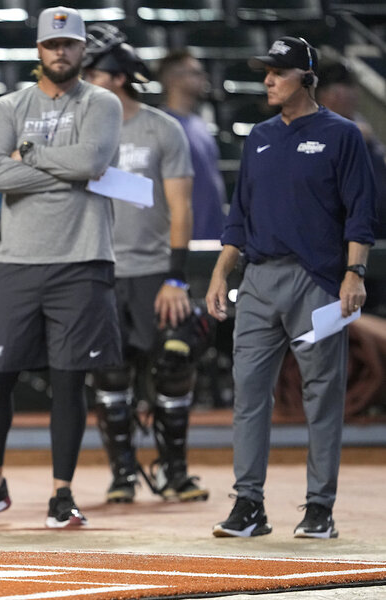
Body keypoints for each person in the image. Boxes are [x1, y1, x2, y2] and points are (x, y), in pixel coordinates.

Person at [0, 6, 123, 528]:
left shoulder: (102, 102)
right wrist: (67, 170)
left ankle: (62, 494)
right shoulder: (7, 107)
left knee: (69, 380)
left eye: (69, 45)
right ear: (39, 50)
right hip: (18, 262)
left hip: (82, 258)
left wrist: (32, 157)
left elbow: (93, 165)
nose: (60, 52)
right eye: (51, 45)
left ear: (83, 50)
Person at [205, 37, 377, 539]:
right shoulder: (258, 137)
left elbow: (361, 212)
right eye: (266, 72)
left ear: (305, 76)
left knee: (322, 396)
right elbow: (240, 215)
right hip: (258, 278)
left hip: (317, 280)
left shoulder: (342, 135)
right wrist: (221, 272)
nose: (267, 80)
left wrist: (354, 273)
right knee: (249, 394)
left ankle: (320, 507)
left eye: (278, 72)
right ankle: (249, 506)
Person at [80, 24, 209, 505]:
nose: (84, 80)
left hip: (155, 270)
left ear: (115, 77)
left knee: (174, 367)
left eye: (92, 72)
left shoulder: (161, 128)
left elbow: (181, 207)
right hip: (100, 270)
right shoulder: (80, 130)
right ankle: (122, 475)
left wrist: (177, 276)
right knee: (110, 376)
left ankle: (175, 472)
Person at [157, 49, 227, 241]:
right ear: (174, 79)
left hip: (211, 235)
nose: (203, 77)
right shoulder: (159, 125)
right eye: (195, 73)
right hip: (180, 239)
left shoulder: (201, 125)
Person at [315, 58, 386, 239]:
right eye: (344, 86)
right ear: (325, 93)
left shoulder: (358, 120)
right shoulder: (314, 120)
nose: (353, 93)